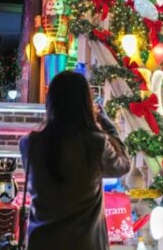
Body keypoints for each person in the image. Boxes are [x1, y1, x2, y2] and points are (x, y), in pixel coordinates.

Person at [19, 71, 131, 249]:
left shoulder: (29, 144)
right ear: (86, 103)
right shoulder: (95, 143)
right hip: (85, 243)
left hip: (42, 242)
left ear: (50, 102)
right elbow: (123, 166)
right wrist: (104, 122)